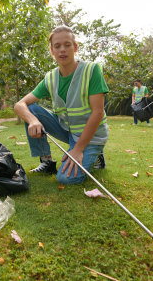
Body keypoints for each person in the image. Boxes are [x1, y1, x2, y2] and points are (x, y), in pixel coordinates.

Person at [13, 25, 109, 184]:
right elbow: (20, 105)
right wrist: (33, 121)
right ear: (52, 50)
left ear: (75, 47)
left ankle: (96, 156)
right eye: (57, 46)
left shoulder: (92, 70)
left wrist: (78, 149)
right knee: (30, 110)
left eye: (67, 45)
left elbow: (98, 112)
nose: (62, 50)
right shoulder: (50, 78)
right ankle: (46, 162)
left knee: (66, 178)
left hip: (91, 135)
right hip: (67, 130)